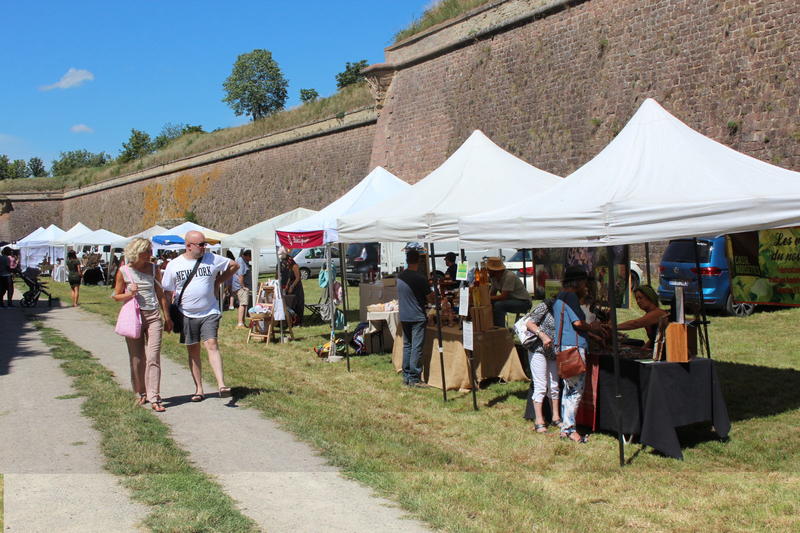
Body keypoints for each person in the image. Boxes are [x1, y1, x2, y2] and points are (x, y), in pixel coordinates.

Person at [162, 231, 239, 401]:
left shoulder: (212, 259)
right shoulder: (174, 265)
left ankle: (221, 384)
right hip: (186, 314)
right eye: (201, 244)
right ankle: (199, 389)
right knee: (193, 350)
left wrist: (218, 281)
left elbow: (234, 266)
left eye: (205, 244)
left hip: (209, 311)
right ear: (188, 245)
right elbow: (167, 292)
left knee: (211, 343)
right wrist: (167, 317)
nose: (205, 247)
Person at [113, 238, 172, 412]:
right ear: (137, 253)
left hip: (153, 317)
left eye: (150, 251)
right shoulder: (124, 271)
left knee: (153, 356)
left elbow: (161, 293)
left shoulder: (154, 269)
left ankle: (154, 396)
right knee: (137, 359)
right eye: (146, 251)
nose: (150, 255)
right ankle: (140, 393)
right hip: (134, 317)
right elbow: (116, 295)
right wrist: (129, 294)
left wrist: (167, 317)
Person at [553, 265, 605, 443]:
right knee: (575, 391)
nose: (585, 286)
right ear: (579, 282)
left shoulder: (560, 296)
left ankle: (565, 427)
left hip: (563, 346)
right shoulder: (571, 297)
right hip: (573, 348)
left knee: (568, 389)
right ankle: (570, 430)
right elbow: (577, 323)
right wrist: (592, 327)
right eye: (584, 282)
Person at [398, 249, 433, 387]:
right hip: (417, 315)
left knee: (407, 345)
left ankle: (406, 375)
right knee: (416, 347)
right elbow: (430, 298)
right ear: (418, 261)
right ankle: (414, 378)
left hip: (405, 315)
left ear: (407, 260)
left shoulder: (401, 276)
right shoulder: (420, 278)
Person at [524, 299, 560, 432]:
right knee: (541, 385)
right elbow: (529, 322)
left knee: (554, 385)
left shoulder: (565, 308)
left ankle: (556, 418)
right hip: (538, 349)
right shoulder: (546, 305)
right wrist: (543, 335)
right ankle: (539, 420)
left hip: (554, 351)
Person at [486, 256, 531, 327]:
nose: (487, 271)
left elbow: (504, 296)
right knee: (490, 303)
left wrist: (487, 298)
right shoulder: (493, 278)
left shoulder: (509, 276)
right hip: (512, 300)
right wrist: (487, 299)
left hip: (523, 302)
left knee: (499, 305)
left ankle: (500, 330)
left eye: (488, 270)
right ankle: (490, 326)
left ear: (494, 271)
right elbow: (492, 294)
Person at [279, 247, 305, 326]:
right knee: (291, 303)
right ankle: (291, 320)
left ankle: (298, 322)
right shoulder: (289, 266)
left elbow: (297, 278)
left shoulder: (294, 266)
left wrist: (292, 287)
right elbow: (289, 277)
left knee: (298, 304)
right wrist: (287, 286)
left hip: (297, 287)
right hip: (291, 286)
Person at [234, 249, 252, 328]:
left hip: (241, 286)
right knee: (243, 304)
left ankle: (242, 322)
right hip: (241, 287)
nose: (251, 259)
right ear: (247, 255)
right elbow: (241, 275)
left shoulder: (241, 260)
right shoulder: (241, 261)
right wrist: (243, 286)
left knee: (243, 304)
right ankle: (240, 323)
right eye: (250, 257)